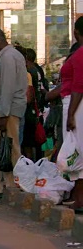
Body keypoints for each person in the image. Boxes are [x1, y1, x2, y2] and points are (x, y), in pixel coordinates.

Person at [0, 28, 28, 199]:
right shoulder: (9, 56)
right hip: (2, 109)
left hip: (7, 111)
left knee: (11, 148)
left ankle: (13, 185)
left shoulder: (8, 57)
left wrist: (4, 115)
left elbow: (8, 87)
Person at [61, 17, 83, 211]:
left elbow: (78, 85)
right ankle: (77, 195)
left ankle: (80, 198)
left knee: (77, 149)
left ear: (76, 32)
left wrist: (70, 115)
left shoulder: (80, 53)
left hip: (76, 104)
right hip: (74, 103)